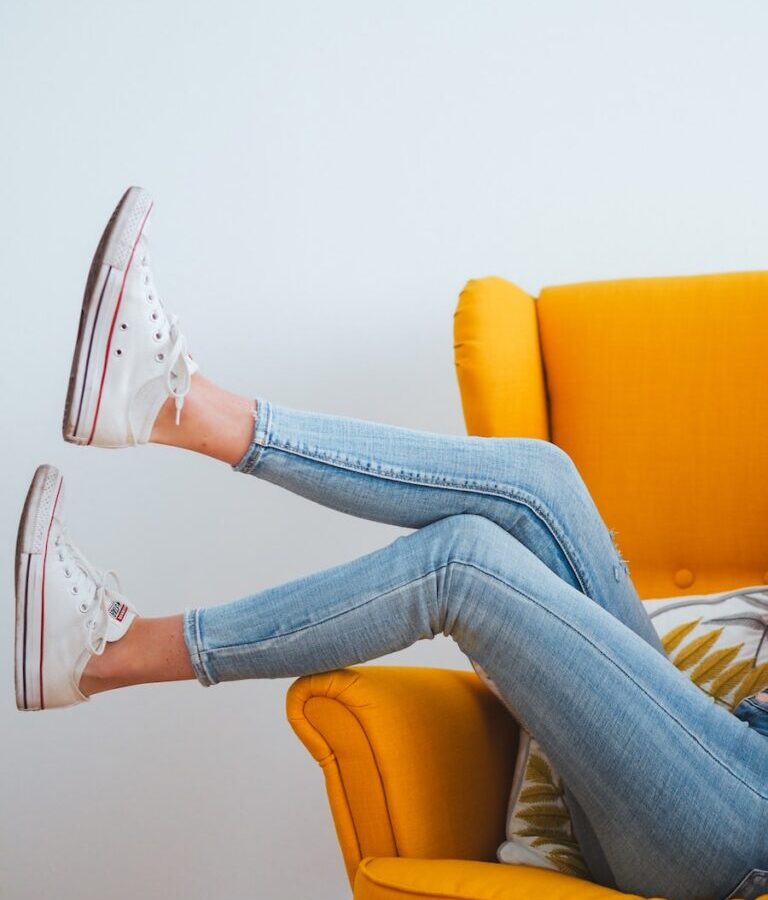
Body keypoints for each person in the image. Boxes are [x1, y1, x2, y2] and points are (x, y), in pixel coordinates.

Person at [13, 187, 768, 900]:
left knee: (464, 564)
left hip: (740, 832)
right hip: (719, 753)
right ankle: (174, 407)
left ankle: (109, 655)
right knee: (538, 480)